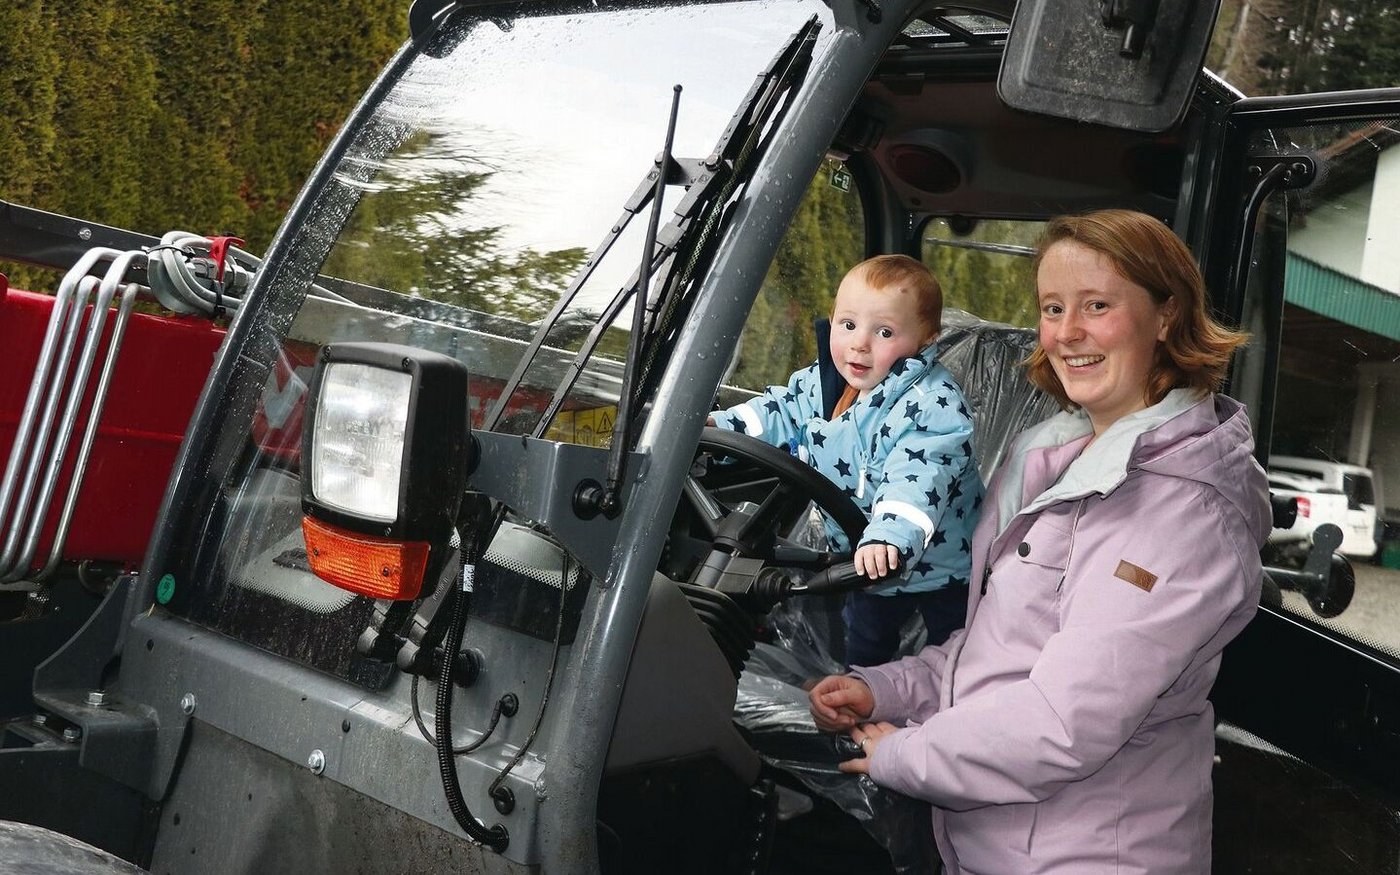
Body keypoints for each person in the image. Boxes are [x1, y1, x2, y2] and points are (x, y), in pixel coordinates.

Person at [807, 210, 1270, 874]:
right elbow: (1000, 649)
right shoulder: (1056, 454)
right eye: (1053, 307)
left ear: (1165, 315)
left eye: (1097, 305)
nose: (1067, 332)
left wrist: (901, 755)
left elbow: (1063, 721)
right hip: (1001, 841)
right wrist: (883, 689)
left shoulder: (1181, 510)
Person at [710, 254, 983, 666]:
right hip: (867, 563)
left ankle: (947, 716)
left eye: (885, 331)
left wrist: (887, 537)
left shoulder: (933, 407)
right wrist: (716, 428)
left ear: (926, 339)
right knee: (864, 651)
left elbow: (918, 478)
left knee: (955, 656)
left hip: (942, 565)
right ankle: (858, 714)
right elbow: (779, 412)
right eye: (848, 324)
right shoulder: (825, 383)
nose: (859, 343)